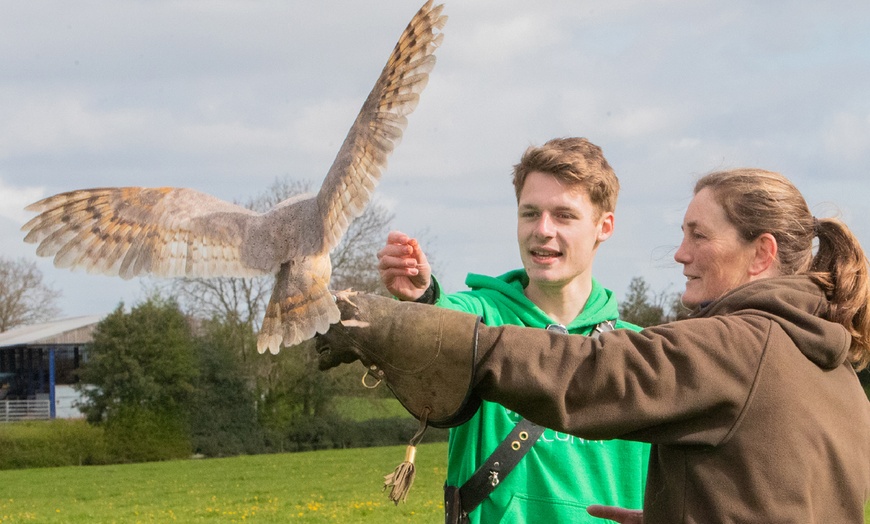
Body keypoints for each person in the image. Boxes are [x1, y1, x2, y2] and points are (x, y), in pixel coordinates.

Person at [317, 168, 870, 523]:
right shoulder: (839, 377)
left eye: (699, 235)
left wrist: (394, 328)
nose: (679, 253)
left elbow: (585, 375)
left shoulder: (738, 347)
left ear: (761, 253)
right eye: (529, 212)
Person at [376, 137, 649, 523]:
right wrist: (422, 295)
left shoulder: (639, 351)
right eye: (530, 213)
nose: (542, 229)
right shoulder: (480, 315)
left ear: (604, 226)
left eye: (564, 215)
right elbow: (439, 324)